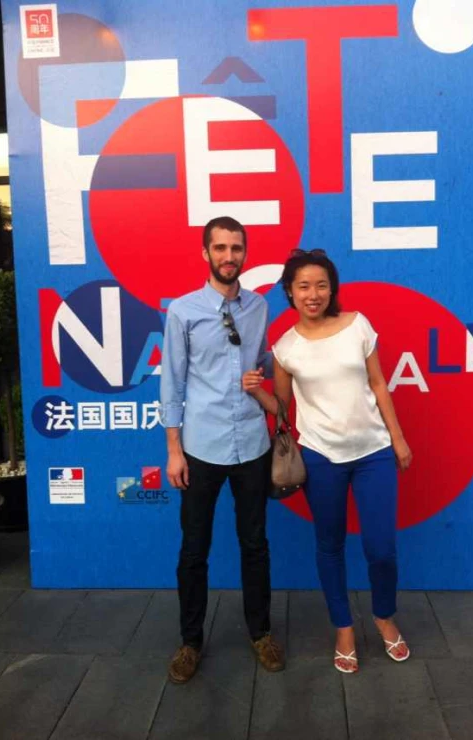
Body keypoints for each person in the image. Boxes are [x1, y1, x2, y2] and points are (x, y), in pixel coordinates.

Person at [243, 248, 412, 674]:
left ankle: (384, 617)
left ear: (331, 288)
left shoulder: (358, 326)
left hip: (373, 452)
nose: (312, 294)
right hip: (320, 457)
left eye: (320, 285)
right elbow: (282, 408)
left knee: (382, 549)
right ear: (290, 292)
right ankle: (343, 627)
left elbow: (378, 383)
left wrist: (398, 438)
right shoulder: (285, 348)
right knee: (330, 545)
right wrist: (256, 391)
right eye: (303, 286)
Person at [160, 216, 285, 684]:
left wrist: (271, 375)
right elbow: (172, 382)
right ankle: (190, 641)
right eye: (220, 248)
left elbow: (268, 363)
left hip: (252, 445)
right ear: (205, 254)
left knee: (255, 545)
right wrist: (174, 450)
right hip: (201, 448)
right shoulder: (183, 311)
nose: (228, 256)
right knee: (194, 550)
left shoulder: (260, 307)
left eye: (236, 248)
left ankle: (261, 632)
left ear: (245, 253)